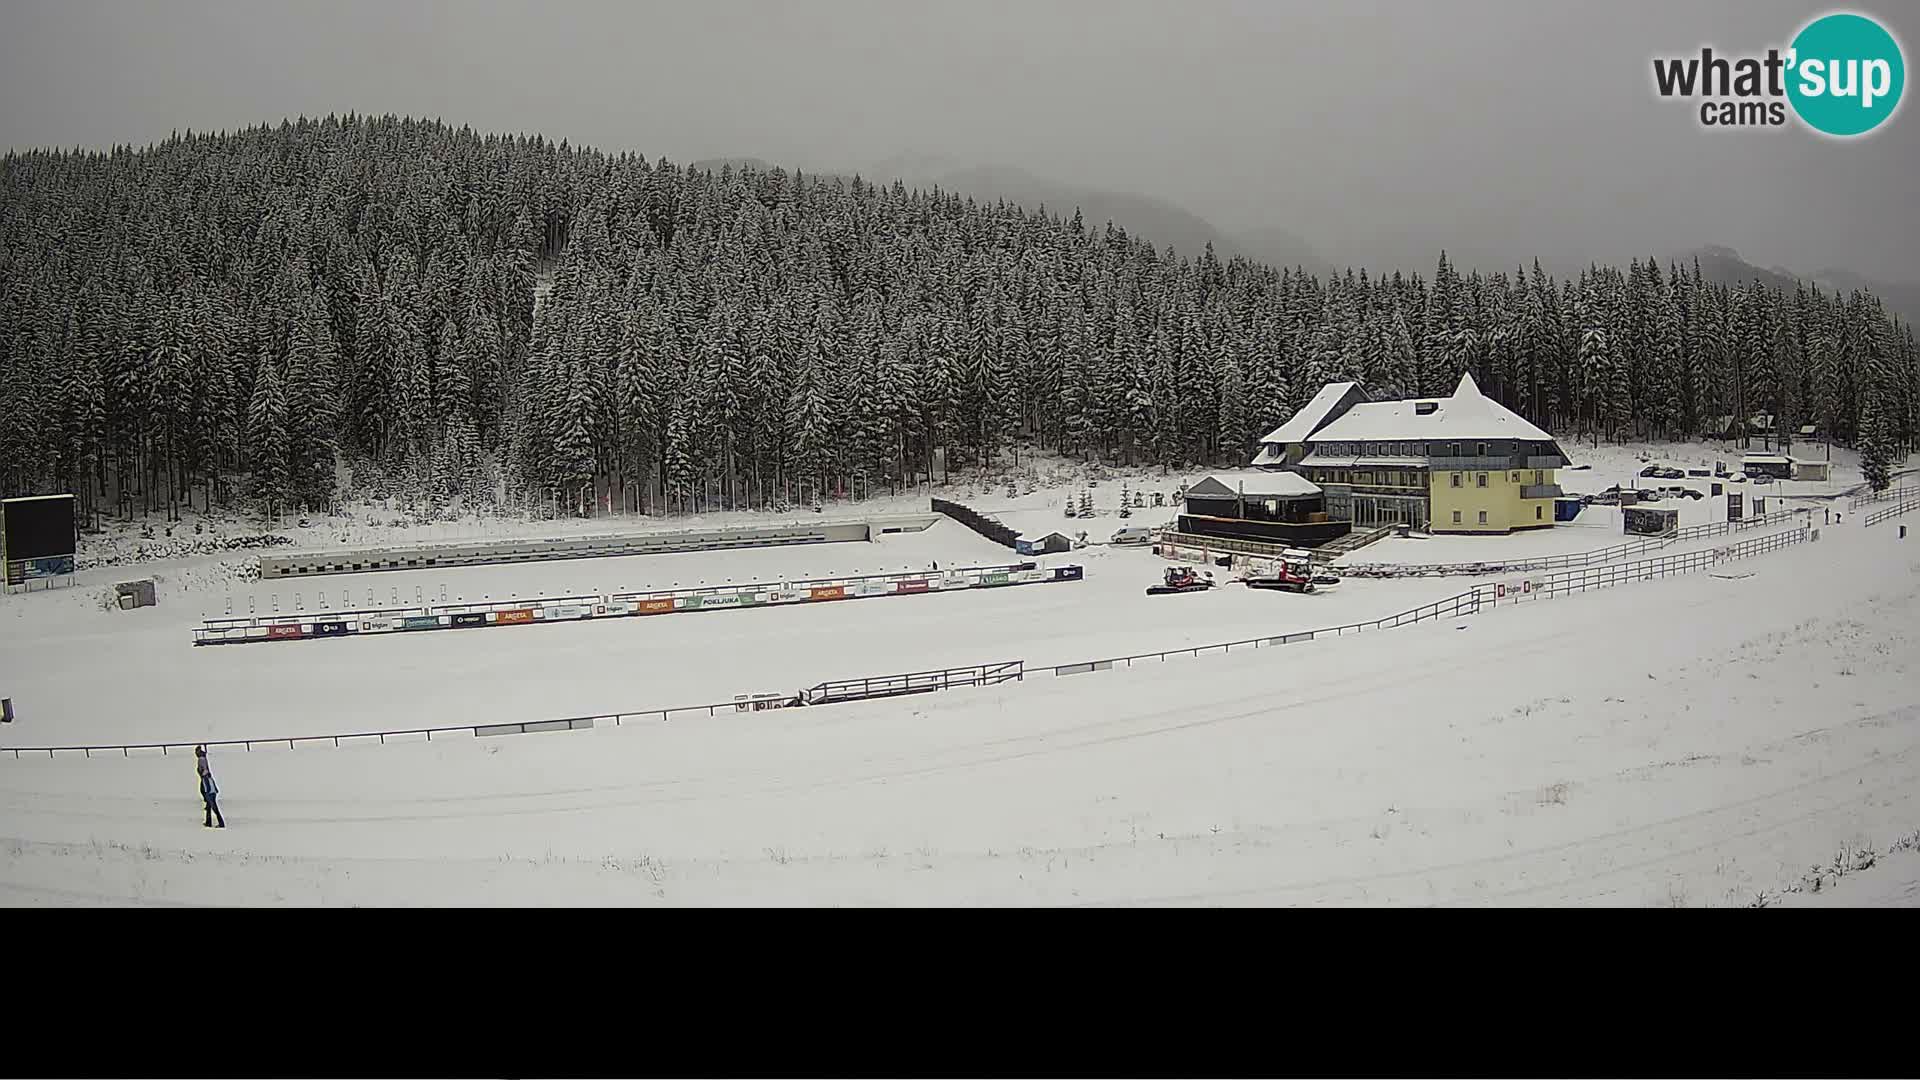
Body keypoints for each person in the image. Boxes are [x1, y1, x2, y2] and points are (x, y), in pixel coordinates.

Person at [196, 745, 226, 829]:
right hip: (210, 790)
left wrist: (201, 772)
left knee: (214, 807)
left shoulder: (201, 760)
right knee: (209, 806)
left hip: (209, 791)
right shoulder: (203, 759)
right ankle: (208, 822)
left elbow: (203, 771)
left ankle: (221, 823)